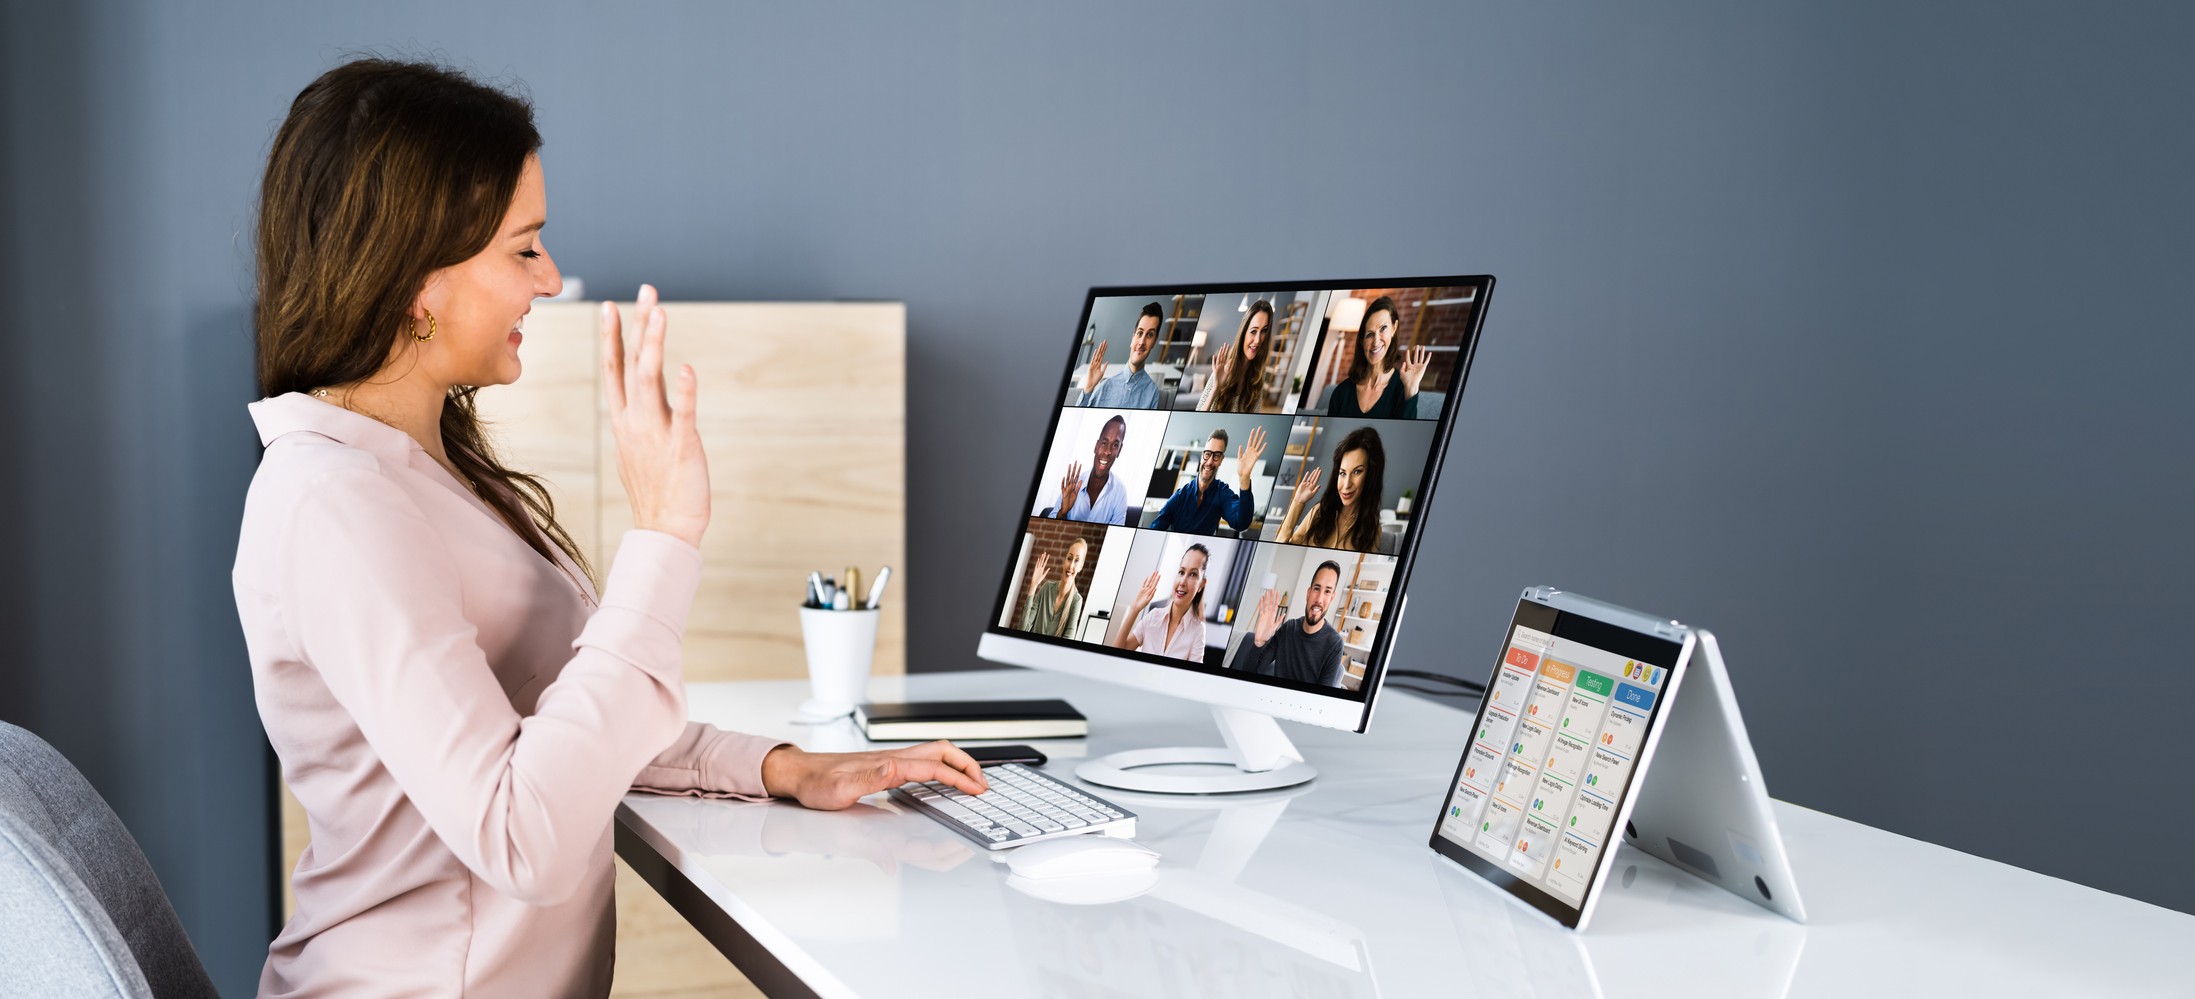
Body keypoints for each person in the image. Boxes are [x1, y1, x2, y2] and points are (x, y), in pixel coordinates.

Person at [232, 60, 987, 999]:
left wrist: (787, 768)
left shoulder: (421, 473)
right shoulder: (333, 506)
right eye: (523, 249)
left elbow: (565, 732)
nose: (549, 278)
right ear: (417, 282)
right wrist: (665, 534)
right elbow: (524, 830)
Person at [1231, 561, 1350, 687]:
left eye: (1327, 592)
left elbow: (1322, 700)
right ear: (1308, 593)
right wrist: (1258, 643)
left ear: (1332, 597)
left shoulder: (1335, 643)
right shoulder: (1288, 628)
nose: (1319, 599)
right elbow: (1249, 673)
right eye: (1317, 589)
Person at [1275, 425, 1387, 552]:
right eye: (1342, 473)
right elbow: (1280, 549)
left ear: (1371, 475)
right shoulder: (1319, 512)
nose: (1346, 485)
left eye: (1357, 472)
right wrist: (1298, 502)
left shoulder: (1373, 530)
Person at [1326, 295, 1433, 418]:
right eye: (1370, 334)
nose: (1376, 342)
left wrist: (1411, 389)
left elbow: (1405, 435)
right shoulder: (1341, 392)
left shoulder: (1403, 389)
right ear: (1362, 342)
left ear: (1394, 328)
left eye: (1383, 328)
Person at [1147, 425, 1265, 536]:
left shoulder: (1222, 493)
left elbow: (1241, 523)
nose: (1209, 462)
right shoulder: (1180, 495)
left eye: (1216, 455)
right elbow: (1154, 530)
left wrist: (1244, 479)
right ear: (1202, 454)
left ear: (1221, 460)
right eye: (1208, 454)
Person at [1111, 544, 1211, 662]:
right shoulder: (1153, 617)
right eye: (1181, 572)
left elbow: (1192, 678)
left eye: (1193, 574)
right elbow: (1115, 655)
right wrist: (1134, 609)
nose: (1182, 582)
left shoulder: (1198, 630)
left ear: (1201, 584)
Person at [1037, 414, 1130, 525]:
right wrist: (1062, 513)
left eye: (1115, 445)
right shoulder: (1073, 484)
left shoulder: (1120, 491)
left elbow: (1115, 535)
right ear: (1096, 446)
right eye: (1104, 443)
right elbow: (1048, 527)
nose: (1107, 451)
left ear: (1119, 450)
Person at [1077, 302, 1166, 408]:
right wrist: (1088, 388)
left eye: (1150, 335)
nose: (1142, 342)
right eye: (1140, 333)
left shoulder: (1153, 393)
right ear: (1133, 338)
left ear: (1154, 342)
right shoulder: (1105, 386)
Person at [1197, 299, 1275, 413]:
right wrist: (1216, 388)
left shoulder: (1259, 375)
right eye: (1253, 331)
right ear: (1244, 332)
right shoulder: (1224, 366)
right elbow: (1199, 412)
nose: (1258, 340)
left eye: (1264, 331)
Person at [1017, 537, 1088, 639]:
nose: (1071, 565)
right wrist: (1033, 586)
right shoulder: (1047, 588)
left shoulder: (1076, 601)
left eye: (1076, 560)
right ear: (1064, 560)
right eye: (1069, 558)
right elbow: (1022, 629)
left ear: (1081, 566)